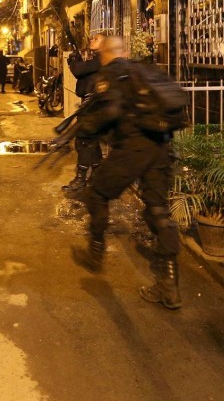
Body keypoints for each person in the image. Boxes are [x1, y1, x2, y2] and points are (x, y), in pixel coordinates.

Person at [70, 36, 183, 310]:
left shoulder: (111, 73)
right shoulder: (144, 71)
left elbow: (108, 111)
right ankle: (168, 287)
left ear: (106, 54)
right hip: (160, 148)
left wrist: (84, 129)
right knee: (158, 211)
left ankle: (95, 253)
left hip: (132, 149)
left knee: (95, 194)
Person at [62, 33, 105, 197]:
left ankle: (80, 179)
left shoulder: (102, 59)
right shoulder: (97, 59)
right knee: (91, 142)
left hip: (94, 107)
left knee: (84, 141)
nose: (91, 40)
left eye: (96, 39)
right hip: (91, 106)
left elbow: (79, 70)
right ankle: (97, 175)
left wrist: (74, 60)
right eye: (91, 38)